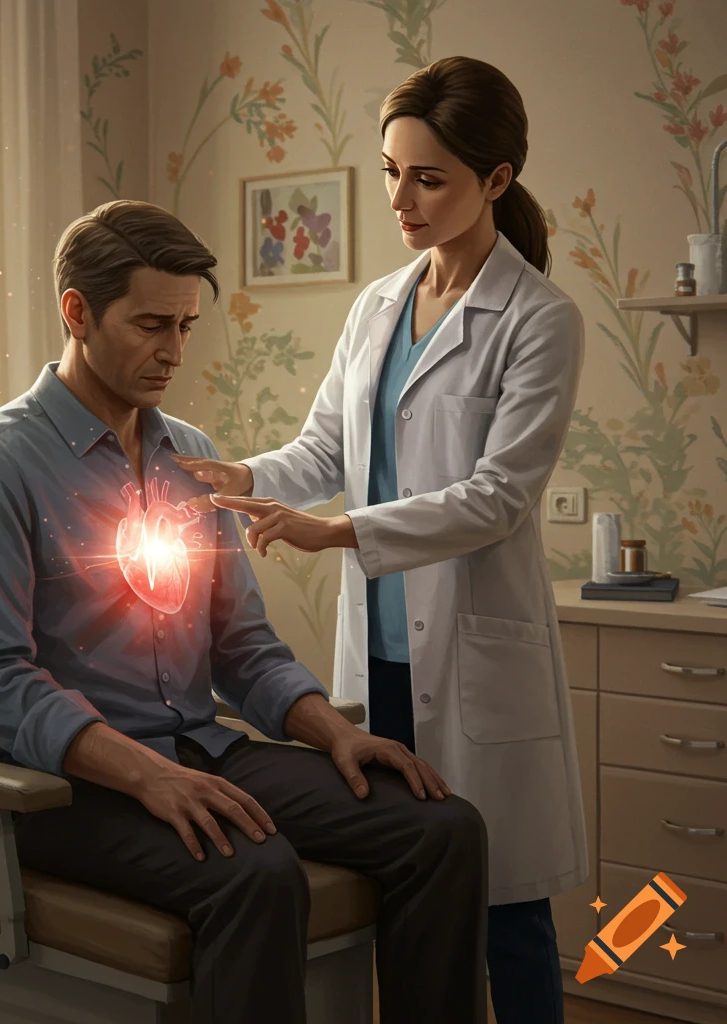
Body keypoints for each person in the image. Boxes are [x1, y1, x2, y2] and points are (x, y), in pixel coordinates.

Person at [0, 199, 489, 1024]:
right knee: (255, 873)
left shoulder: (186, 454)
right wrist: (148, 775)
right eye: (153, 324)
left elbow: (242, 644)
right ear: (76, 313)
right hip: (60, 790)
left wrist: (339, 734)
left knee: (442, 830)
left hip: (203, 747)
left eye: (187, 325)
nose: (174, 351)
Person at [174, 56, 587, 1024]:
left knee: (507, 908)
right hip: (380, 660)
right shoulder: (375, 305)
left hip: (477, 653)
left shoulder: (538, 318)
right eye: (392, 171)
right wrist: (244, 475)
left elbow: (496, 497)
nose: (401, 198)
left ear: (495, 181)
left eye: (429, 177)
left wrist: (338, 532)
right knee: (408, 886)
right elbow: (324, 446)